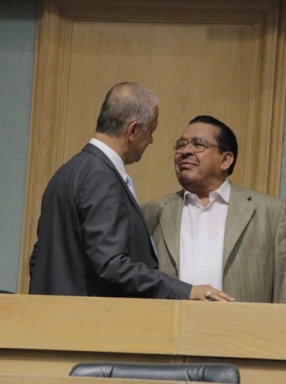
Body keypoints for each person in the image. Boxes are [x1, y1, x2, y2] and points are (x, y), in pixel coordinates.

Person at [29, 83, 233, 302]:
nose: (151, 140)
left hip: (49, 314)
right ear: (133, 131)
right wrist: (186, 291)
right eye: (151, 131)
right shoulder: (101, 177)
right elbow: (111, 264)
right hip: (88, 318)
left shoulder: (65, 172)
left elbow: (38, 258)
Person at [141, 115, 286, 303]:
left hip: (242, 321)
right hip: (170, 320)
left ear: (225, 160)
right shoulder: (151, 213)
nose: (185, 151)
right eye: (181, 144)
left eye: (198, 144)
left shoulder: (270, 212)